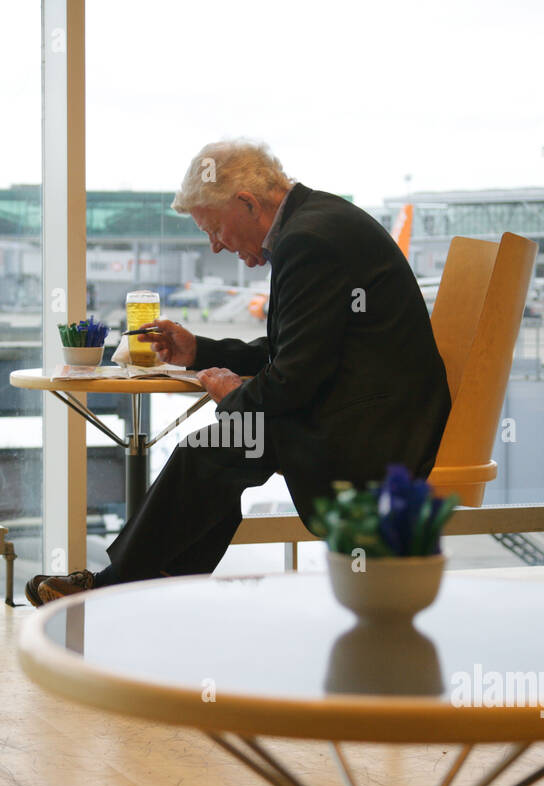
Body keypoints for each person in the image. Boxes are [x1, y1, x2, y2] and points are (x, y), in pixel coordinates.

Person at [27, 140, 451, 606]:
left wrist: (231, 395)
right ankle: (148, 586)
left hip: (376, 431)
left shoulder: (309, 241)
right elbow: (295, 348)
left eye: (215, 230)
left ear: (247, 204)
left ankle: (125, 588)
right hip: (369, 407)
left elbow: (293, 379)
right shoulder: (315, 222)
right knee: (217, 452)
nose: (215, 246)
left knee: (215, 449)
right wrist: (199, 351)